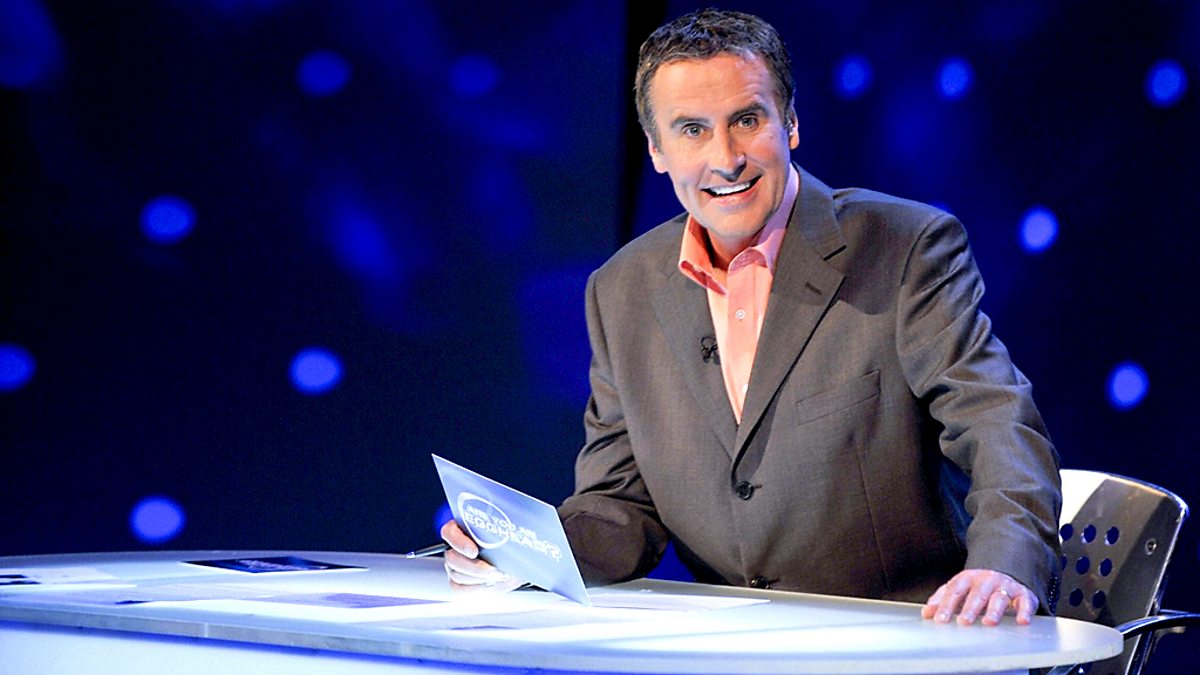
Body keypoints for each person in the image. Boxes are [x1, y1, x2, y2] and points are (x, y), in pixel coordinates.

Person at [443, 8, 1061, 628]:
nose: (726, 158)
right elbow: (619, 506)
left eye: (746, 120)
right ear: (656, 150)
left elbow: (995, 419)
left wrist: (1004, 564)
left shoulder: (904, 247)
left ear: (790, 122)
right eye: (692, 130)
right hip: (731, 645)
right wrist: (521, 553)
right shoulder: (621, 289)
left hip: (904, 635)